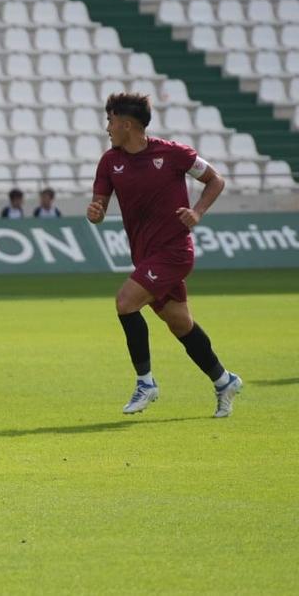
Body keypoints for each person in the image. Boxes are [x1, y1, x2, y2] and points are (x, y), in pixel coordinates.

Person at [87, 92, 241, 418]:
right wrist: (96, 212)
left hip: (174, 252)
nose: (107, 128)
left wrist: (197, 211)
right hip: (145, 256)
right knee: (180, 324)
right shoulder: (109, 162)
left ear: (127, 124)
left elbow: (215, 180)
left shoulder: (172, 154)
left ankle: (145, 383)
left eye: (110, 121)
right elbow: (98, 207)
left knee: (125, 302)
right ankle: (224, 380)